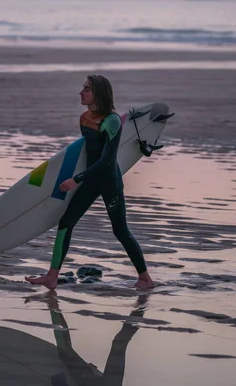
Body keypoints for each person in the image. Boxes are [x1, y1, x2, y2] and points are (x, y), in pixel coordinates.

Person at [25, 74, 153, 291]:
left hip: (108, 181)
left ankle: (145, 278)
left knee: (120, 230)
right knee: (66, 222)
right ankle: (52, 276)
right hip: (91, 179)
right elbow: (87, 154)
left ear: (98, 94)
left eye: (87, 89)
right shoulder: (85, 118)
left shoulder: (111, 121)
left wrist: (76, 179)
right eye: (83, 88)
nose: (81, 92)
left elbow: (106, 161)